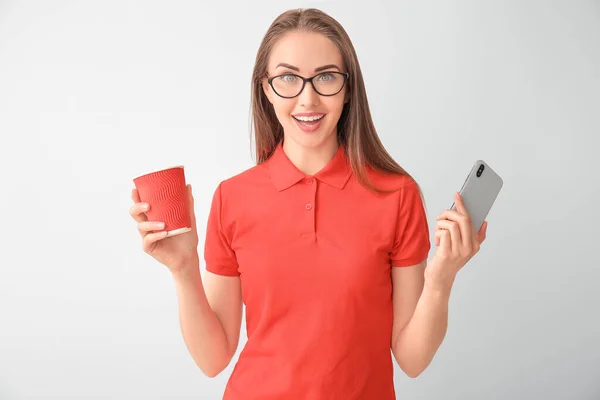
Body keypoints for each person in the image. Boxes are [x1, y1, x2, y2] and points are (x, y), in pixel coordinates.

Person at [129, 8, 487, 400]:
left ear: (349, 88)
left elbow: (412, 359)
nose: (308, 98)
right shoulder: (232, 198)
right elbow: (213, 359)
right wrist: (182, 269)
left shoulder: (397, 196)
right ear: (265, 89)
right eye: (288, 78)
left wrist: (441, 280)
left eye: (326, 77)